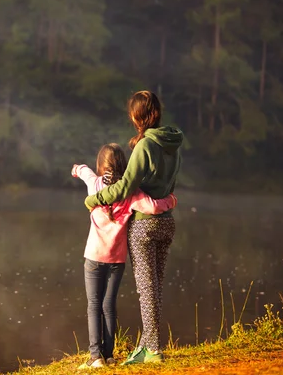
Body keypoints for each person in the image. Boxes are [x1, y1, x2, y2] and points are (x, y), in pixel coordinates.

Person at [84, 91, 183, 365]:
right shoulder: (173, 144)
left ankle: (152, 351)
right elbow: (171, 184)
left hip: (144, 226)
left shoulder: (145, 146)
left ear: (137, 116)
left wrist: (95, 198)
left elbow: (126, 186)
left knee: (146, 290)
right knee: (156, 288)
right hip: (167, 222)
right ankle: (145, 346)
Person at [72, 143, 177, 369]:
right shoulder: (131, 191)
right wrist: (171, 201)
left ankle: (95, 357)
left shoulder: (94, 184)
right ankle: (109, 355)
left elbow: (84, 172)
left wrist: (77, 168)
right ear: (124, 166)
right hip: (116, 261)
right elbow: (152, 207)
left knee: (93, 305)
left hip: (93, 257)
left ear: (101, 166)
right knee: (109, 305)